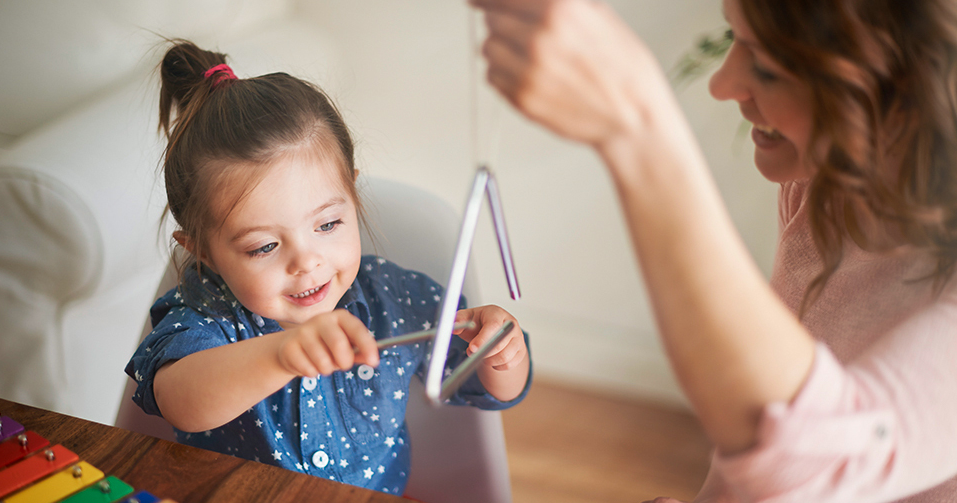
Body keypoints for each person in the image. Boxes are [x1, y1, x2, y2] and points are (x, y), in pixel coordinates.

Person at [470, 0, 957, 501]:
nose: (722, 85)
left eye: (767, 67)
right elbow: (771, 432)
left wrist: (639, 126)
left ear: (908, 86)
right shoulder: (827, 187)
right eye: (733, 40)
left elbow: (818, 457)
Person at [124, 40, 532, 495]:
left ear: (353, 198)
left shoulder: (396, 299)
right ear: (201, 252)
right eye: (264, 247)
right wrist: (282, 354)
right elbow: (182, 401)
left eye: (328, 223)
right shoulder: (203, 314)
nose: (306, 261)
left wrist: (500, 351)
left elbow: (490, 386)